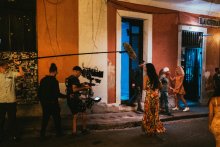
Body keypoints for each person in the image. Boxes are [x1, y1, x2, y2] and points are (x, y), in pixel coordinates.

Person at [38, 63, 66, 139]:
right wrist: (66, 96)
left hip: (45, 104)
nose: (57, 73)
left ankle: (42, 135)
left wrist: (42, 102)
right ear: (55, 71)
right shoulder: (54, 81)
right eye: (57, 72)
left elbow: (39, 93)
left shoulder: (43, 80)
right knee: (57, 119)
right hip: (53, 104)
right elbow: (57, 94)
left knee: (45, 120)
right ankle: (59, 134)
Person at [0, 60, 24, 142]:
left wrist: (19, 65)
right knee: (1, 120)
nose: (5, 69)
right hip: (1, 102)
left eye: (6, 67)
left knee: (13, 120)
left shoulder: (11, 74)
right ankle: (1, 136)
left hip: (11, 101)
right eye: (3, 67)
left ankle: (14, 136)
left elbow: (21, 74)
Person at [66, 66, 91, 136]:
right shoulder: (74, 78)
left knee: (75, 115)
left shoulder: (69, 78)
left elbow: (72, 87)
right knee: (83, 112)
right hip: (75, 99)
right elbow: (74, 89)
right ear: (76, 71)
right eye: (80, 73)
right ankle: (84, 129)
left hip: (70, 99)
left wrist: (82, 84)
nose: (80, 75)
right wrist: (85, 87)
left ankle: (74, 132)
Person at [142, 63, 166, 135]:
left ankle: (149, 128)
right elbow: (160, 86)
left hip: (149, 97)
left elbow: (144, 88)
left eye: (145, 67)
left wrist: (148, 88)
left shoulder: (146, 76)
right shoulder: (156, 76)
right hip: (155, 97)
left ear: (148, 68)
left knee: (148, 112)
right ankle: (155, 127)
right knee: (155, 112)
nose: (144, 68)